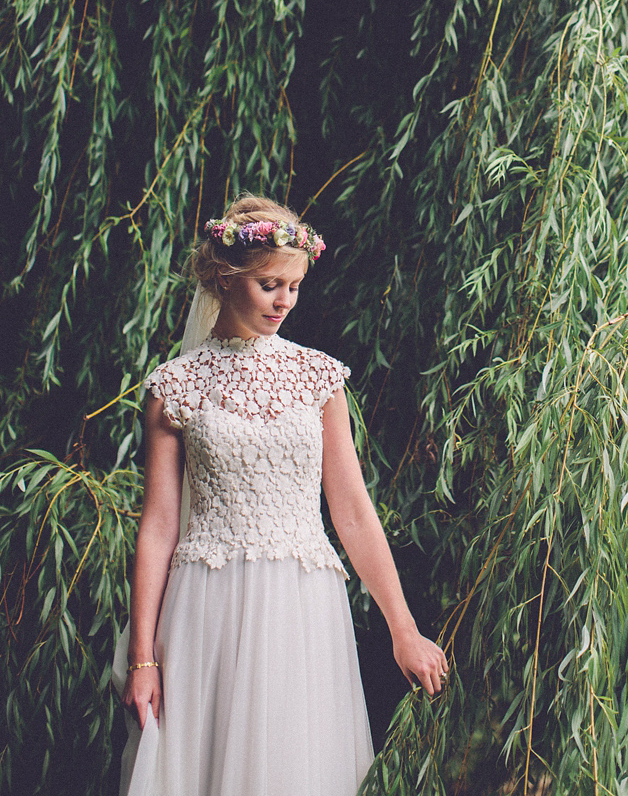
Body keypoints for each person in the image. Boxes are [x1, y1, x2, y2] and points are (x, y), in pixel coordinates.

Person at [117, 193, 447, 796]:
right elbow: (159, 527)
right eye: (270, 283)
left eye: (294, 286)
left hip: (301, 605)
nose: (285, 301)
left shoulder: (317, 377)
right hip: (206, 607)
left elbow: (350, 510)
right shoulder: (174, 386)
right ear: (224, 276)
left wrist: (403, 627)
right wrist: (143, 658)